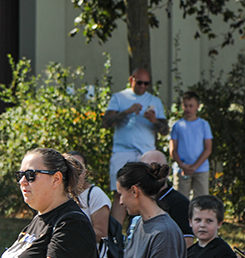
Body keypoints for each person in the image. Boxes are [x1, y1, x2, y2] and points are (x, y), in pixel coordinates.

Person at [101, 68, 169, 224]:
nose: (143, 86)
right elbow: (106, 123)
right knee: (120, 194)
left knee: (148, 193)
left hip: (146, 154)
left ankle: (148, 228)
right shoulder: (119, 98)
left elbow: (165, 130)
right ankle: (115, 235)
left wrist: (155, 121)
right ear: (131, 80)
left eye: (146, 84)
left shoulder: (154, 101)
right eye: (140, 82)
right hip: (122, 152)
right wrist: (126, 112)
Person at [171, 91, 213, 200]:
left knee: (202, 201)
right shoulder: (177, 125)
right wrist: (181, 165)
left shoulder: (204, 125)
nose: (188, 108)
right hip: (182, 169)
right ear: (182, 106)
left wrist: (195, 166)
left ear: (197, 106)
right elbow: (173, 149)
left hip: (201, 169)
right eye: (186, 105)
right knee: (180, 201)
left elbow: (208, 148)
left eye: (191, 106)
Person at [67, 151, 110, 240]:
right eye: (70, 169)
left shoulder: (95, 194)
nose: (75, 173)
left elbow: (101, 233)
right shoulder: (60, 195)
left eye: (79, 168)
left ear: (85, 172)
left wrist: (68, 232)